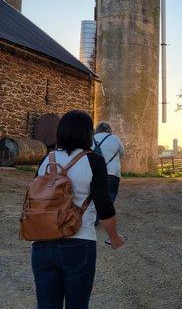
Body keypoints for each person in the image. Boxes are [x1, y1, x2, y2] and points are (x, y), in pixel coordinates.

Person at [32, 110, 125, 309]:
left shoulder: (45, 160)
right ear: (87, 134)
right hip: (79, 242)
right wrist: (115, 238)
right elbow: (104, 205)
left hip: (42, 244)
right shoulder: (93, 160)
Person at [93, 122, 125, 205]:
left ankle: (97, 216)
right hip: (113, 173)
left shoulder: (92, 139)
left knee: (95, 198)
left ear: (97, 129)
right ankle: (106, 214)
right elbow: (122, 153)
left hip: (95, 173)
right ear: (109, 129)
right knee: (110, 196)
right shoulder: (115, 138)